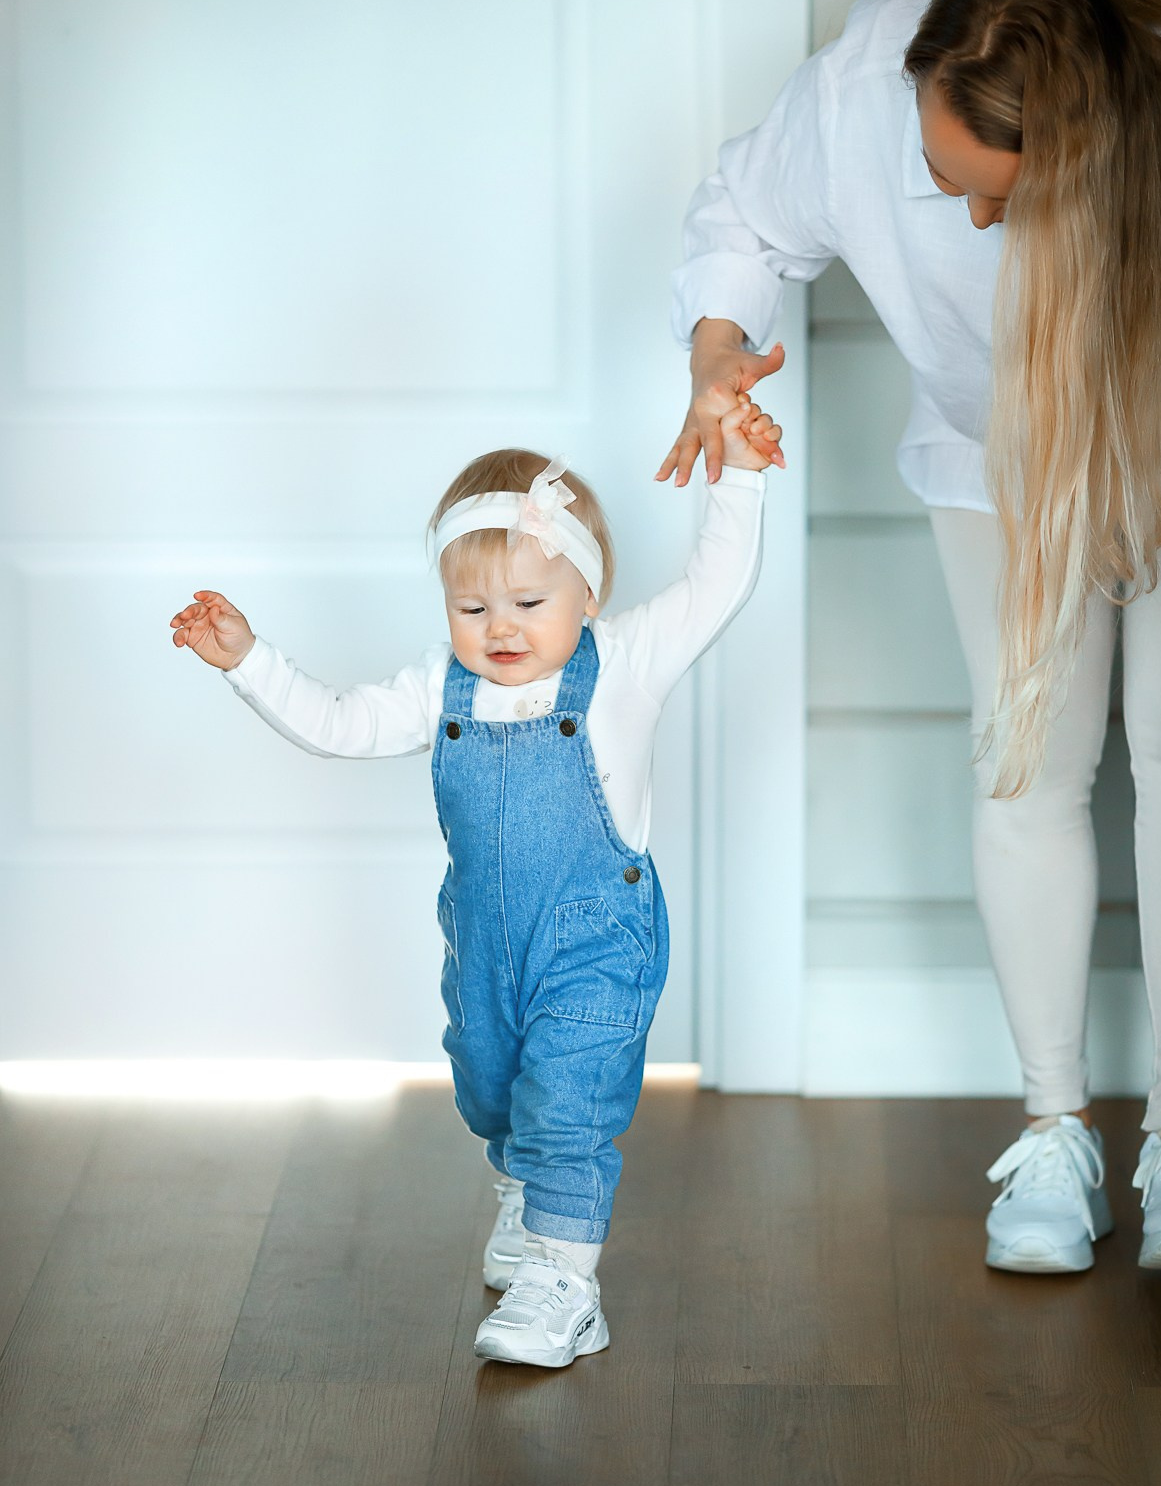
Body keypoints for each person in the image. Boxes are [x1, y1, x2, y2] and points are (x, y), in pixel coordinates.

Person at [664, 0, 1161, 1275]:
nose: (972, 223)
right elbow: (742, 223)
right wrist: (718, 355)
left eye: (1005, 202)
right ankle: (1055, 1128)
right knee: (1026, 766)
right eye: (950, 183)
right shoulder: (858, 92)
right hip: (991, 460)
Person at [169, 402, 780, 1365]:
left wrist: (739, 475)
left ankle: (565, 1287)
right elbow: (338, 722)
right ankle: (522, 1193)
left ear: (587, 592)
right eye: (472, 608)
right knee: (492, 1091)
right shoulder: (437, 687)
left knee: (566, 1104)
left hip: (597, 940)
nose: (500, 630)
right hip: (486, 944)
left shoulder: (622, 665)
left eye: (530, 605)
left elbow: (716, 584)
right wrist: (251, 661)